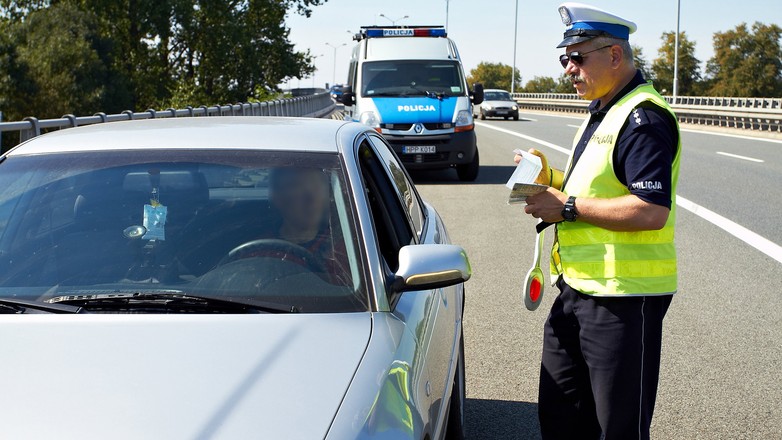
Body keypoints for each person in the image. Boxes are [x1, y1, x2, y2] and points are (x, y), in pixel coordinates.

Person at [516, 3, 681, 439]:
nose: (569, 68)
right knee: (562, 418)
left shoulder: (642, 119)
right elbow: (596, 186)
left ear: (614, 55)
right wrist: (546, 178)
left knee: (617, 429)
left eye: (578, 57)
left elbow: (650, 210)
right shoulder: (605, 108)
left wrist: (566, 207)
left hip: (622, 300)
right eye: (564, 58)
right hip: (577, 289)